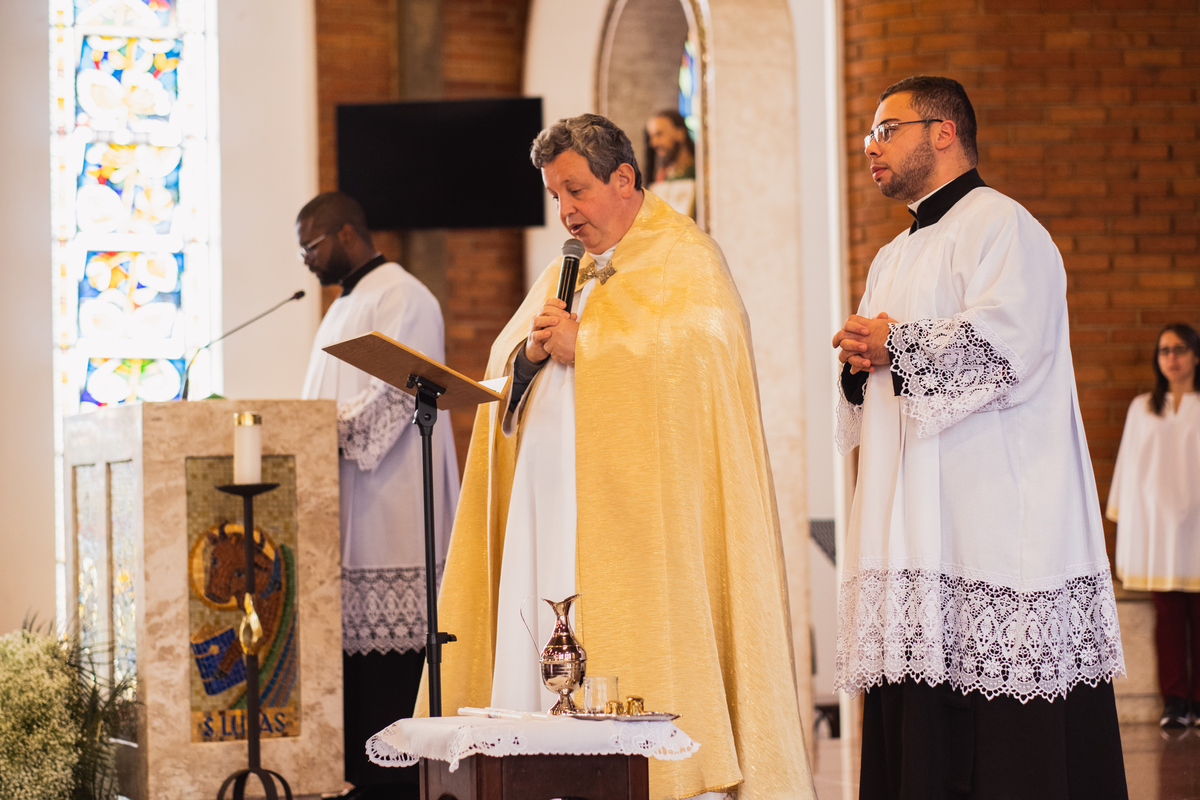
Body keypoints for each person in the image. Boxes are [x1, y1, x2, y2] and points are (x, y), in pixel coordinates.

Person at [420, 114, 813, 800]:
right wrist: (531, 355)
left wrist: (590, 350)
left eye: (576, 190)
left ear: (624, 179)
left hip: (637, 528)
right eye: (555, 196)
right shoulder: (560, 269)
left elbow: (703, 356)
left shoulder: (686, 259)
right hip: (550, 512)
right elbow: (504, 367)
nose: (566, 210)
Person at [832, 76, 1127, 798]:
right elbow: (883, 376)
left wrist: (895, 345)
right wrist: (856, 360)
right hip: (918, 524)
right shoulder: (893, 255)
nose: (871, 147)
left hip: (994, 520)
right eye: (870, 133)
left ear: (943, 132)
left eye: (886, 128)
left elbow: (1006, 347)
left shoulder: (1006, 227)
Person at [297, 191, 460, 800]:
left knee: (390, 703)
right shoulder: (338, 309)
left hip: (391, 520)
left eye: (311, 246)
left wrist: (309, 430)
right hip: (343, 521)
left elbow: (389, 411)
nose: (307, 261)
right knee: (353, 711)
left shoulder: (404, 296)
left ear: (344, 233)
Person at [1108, 323, 1200, 729]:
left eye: (1180, 349)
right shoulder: (1143, 407)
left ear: (1196, 354)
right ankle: (1175, 700)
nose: (1172, 358)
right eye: (1164, 351)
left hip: (1197, 525)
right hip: (1160, 530)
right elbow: (1130, 470)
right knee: (1168, 617)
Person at [644, 109, 696, 218]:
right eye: (651, 136)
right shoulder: (662, 175)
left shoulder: (697, 171)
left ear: (680, 134)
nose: (654, 143)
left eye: (659, 134)